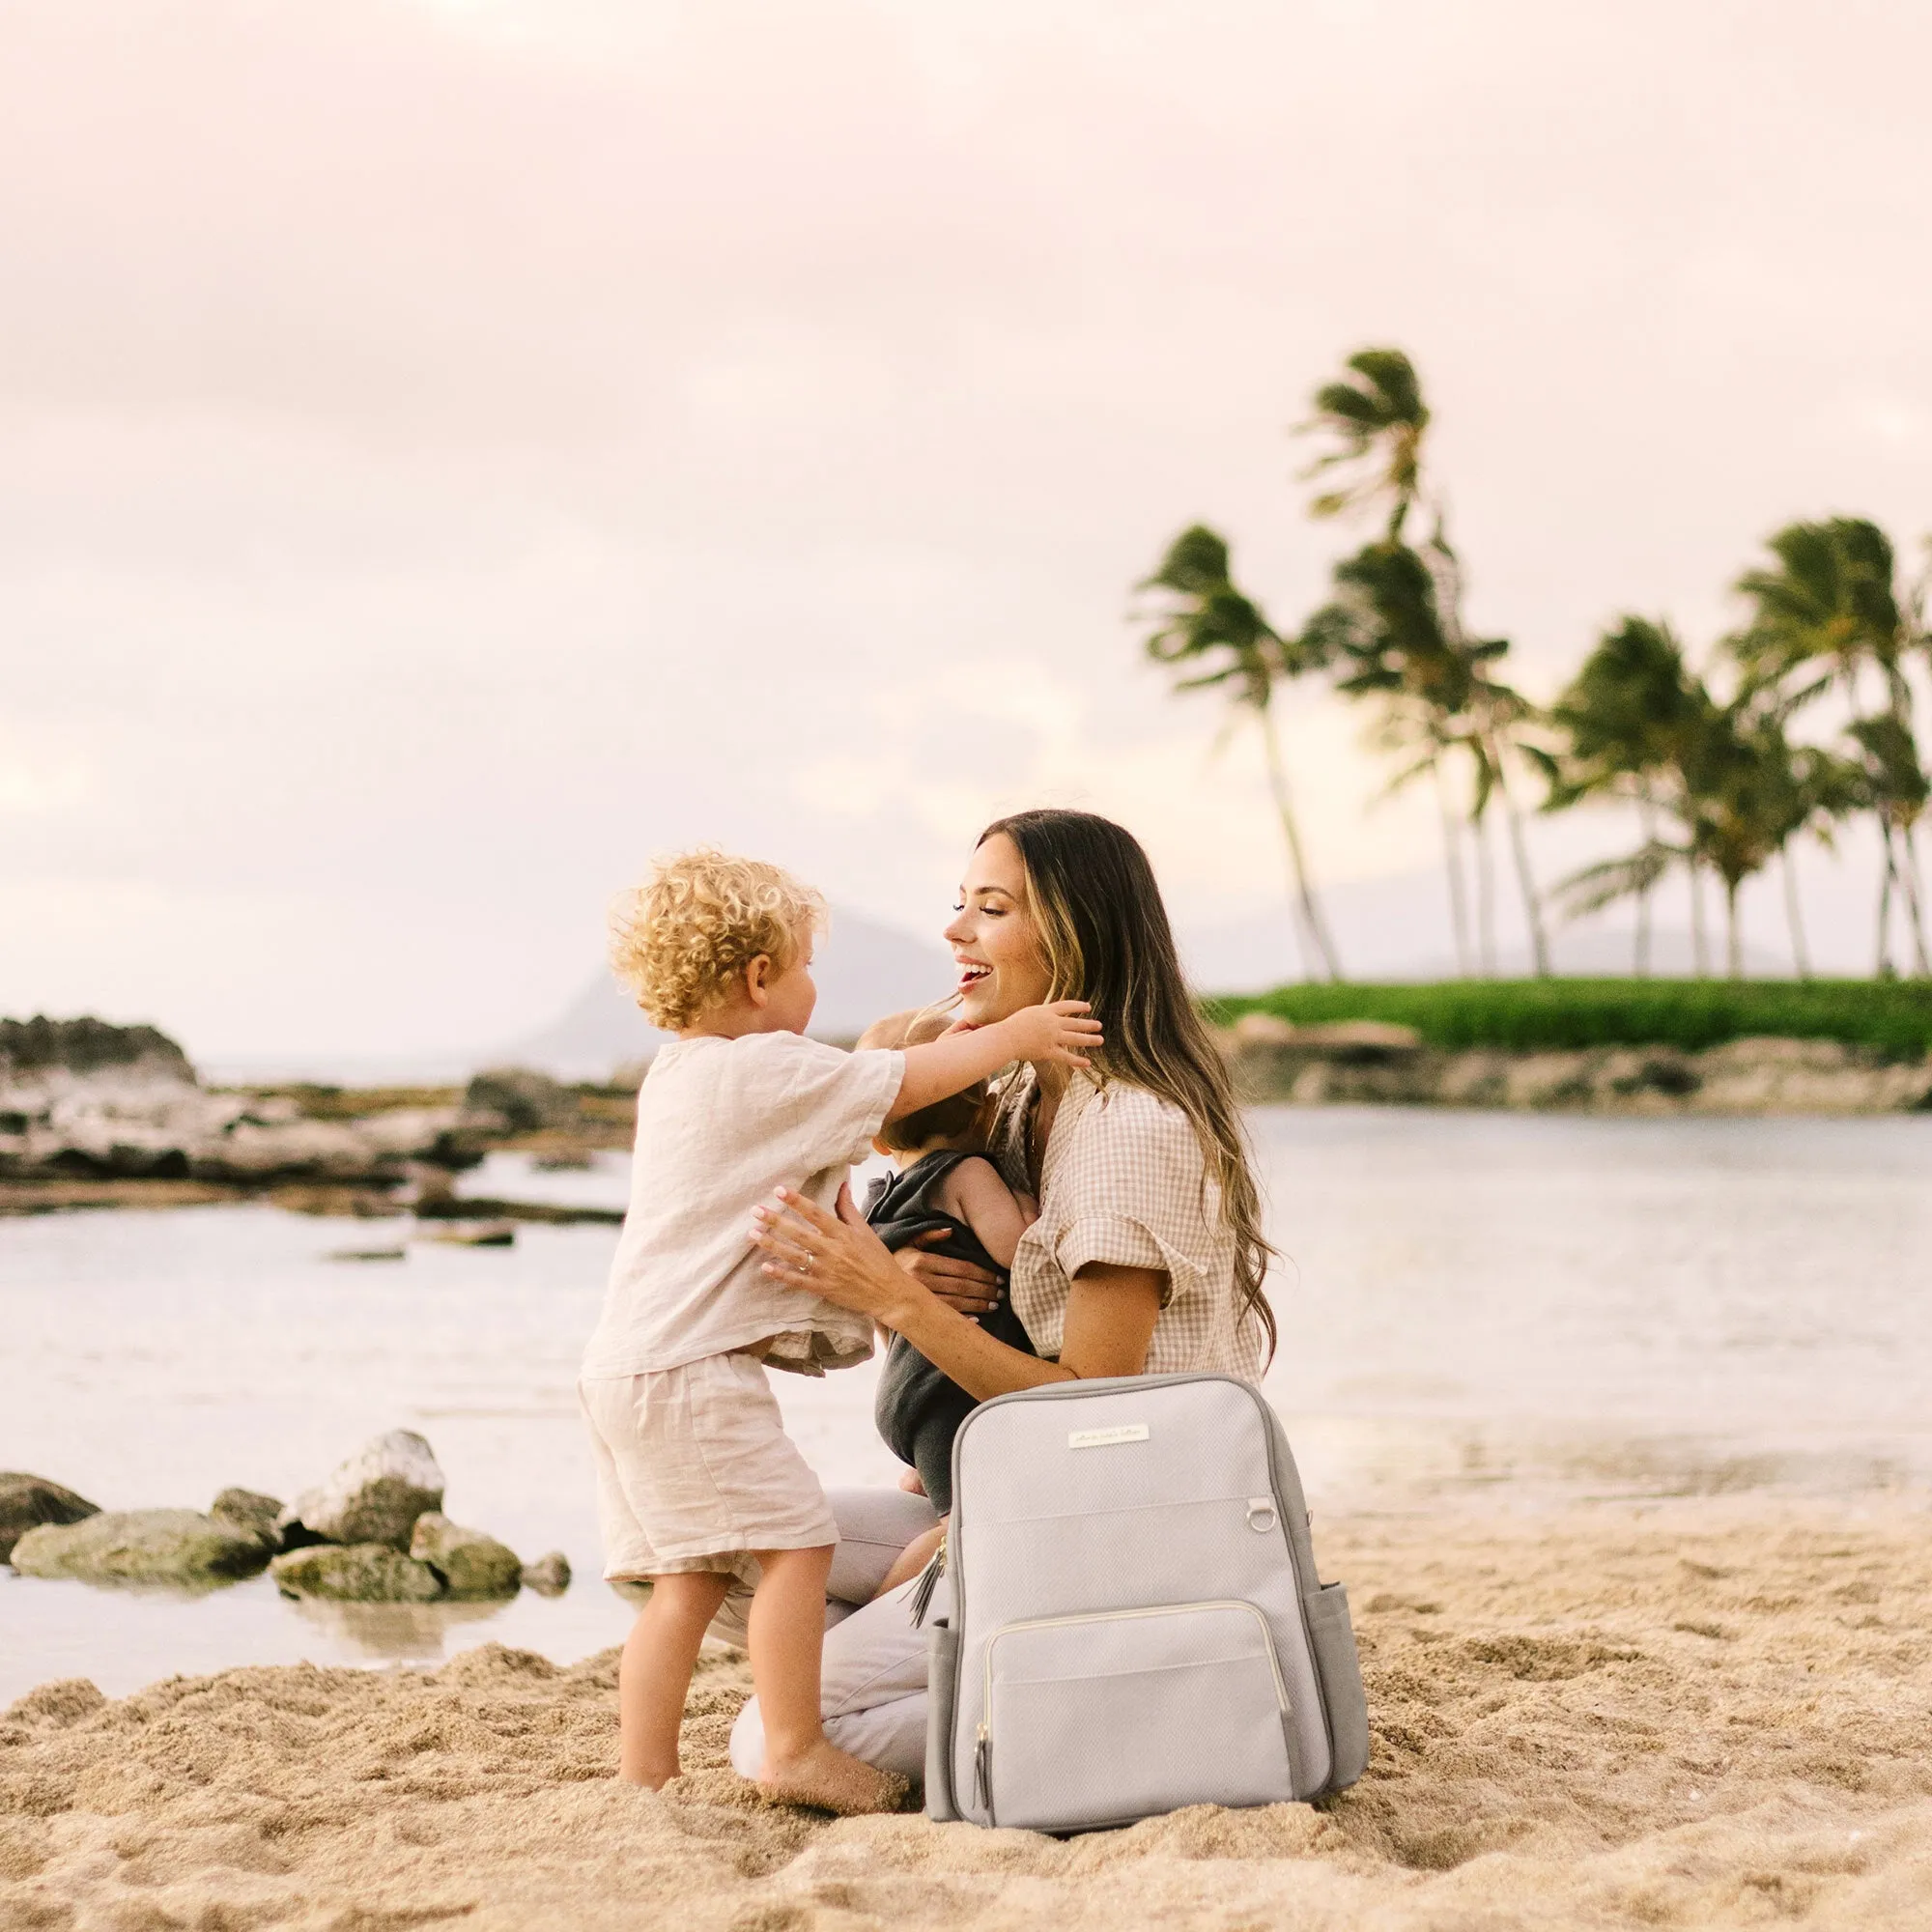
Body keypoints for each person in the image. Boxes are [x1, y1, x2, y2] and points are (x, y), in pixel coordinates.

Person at [733, 809, 1277, 1784]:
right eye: (959, 905)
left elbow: (1087, 1407)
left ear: (1074, 935)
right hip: (1026, 1497)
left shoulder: (1125, 1131)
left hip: (1109, 1524)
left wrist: (895, 1301)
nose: (953, 932)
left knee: (769, 1737)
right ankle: (1005, 1656)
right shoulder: (1027, 1095)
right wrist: (895, 1288)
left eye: (991, 909)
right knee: (734, 1537)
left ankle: (1120, 1706)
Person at [578, 847, 1100, 1812]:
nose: (814, 987)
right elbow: (905, 1079)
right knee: (796, 1545)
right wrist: (1017, 1032)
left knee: (685, 1580)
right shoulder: (765, 1068)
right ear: (759, 976)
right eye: (807, 964)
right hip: (693, 1373)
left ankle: (642, 1772)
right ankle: (793, 1742)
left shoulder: (680, 1074)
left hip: (626, 1371)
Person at [856, 1008, 1038, 1520]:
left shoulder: (878, 1199)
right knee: (961, 1529)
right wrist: (1024, 1200)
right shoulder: (967, 1173)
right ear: (984, 1112)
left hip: (906, 1388)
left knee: (946, 1496)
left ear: (878, 1140)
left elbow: (884, 1320)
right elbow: (1017, 1249)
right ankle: (909, 1593)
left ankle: (924, 1470)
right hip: (952, 1393)